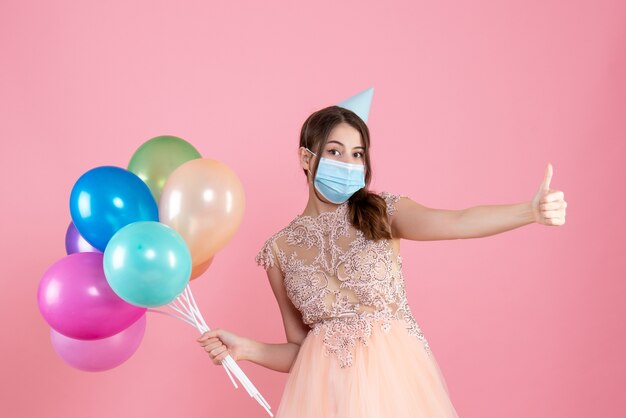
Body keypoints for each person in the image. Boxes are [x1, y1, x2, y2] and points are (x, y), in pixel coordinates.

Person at [196, 105, 567, 417]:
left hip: (396, 391)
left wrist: (529, 211)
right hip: (325, 401)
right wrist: (246, 349)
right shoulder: (279, 250)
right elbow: (300, 349)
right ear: (305, 158)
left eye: (357, 154)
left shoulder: (383, 212)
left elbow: (457, 221)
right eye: (336, 151)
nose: (349, 162)